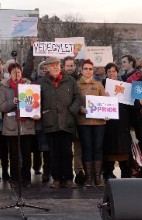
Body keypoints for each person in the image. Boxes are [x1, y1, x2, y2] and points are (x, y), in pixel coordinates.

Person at [39, 57, 81, 189]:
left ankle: (68, 179)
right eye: (52, 65)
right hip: (50, 121)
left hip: (66, 121)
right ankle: (56, 178)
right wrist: (41, 112)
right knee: (54, 152)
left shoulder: (70, 80)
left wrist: (71, 111)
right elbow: (36, 100)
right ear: (47, 68)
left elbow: (77, 97)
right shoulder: (42, 82)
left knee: (67, 152)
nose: (56, 67)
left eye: (57, 64)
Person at [0, 62, 37, 188]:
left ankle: (27, 178)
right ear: (10, 74)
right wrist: (12, 102)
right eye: (14, 73)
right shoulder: (4, 86)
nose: (17, 74)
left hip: (26, 124)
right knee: (14, 154)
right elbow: (1, 106)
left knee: (26, 153)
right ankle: (15, 178)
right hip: (11, 126)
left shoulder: (29, 85)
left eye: (18, 72)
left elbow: (35, 103)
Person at [77, 59, 107, 187]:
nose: (88, 71)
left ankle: (97, 177)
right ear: (81, 70)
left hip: (99, 122)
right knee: (87, 148)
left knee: (98, 148)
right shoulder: (77, 85)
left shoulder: (99, 84)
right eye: (85, 69)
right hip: (84, 122)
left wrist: (107, 113)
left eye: (90, 69)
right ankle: (89, 178)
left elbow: (105, 102)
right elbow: (74, 101)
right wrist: (80, 108)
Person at [101, 63, 132, 180]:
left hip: (123, 122)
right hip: (108, 123)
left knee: (124, 149)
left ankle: (126, 172)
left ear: (117, 73)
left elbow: (130, 103)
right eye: (109, 71)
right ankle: (108, 172)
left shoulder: (125, 85)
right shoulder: (102, 85)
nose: (111, 73)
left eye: (113, 71)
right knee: (109, 149)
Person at [63, 56, 84, 185]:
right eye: (67, 65)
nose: (70, 68)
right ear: (63, 66)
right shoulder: (60, 79)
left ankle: (79, 171)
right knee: (66, 149)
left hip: (78, 118)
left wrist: (74, 109)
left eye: (72, 65)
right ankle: (67, 173)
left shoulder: (80, 80)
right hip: (65, 119)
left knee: (78, 148)